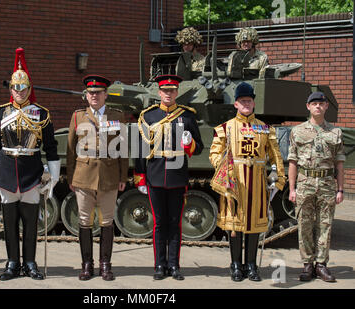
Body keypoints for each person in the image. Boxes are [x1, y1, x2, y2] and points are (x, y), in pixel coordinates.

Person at [0, 48, 60, 281]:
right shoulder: (0, 113)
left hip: (31, 174)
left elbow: (50, 148)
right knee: (9, 224)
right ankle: (12, 263)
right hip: (7, 174)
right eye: (15, 88)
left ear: (29, 89)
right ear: (11, 89)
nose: (19, 92)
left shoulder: (41, 114)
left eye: (23, 88)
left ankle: (30, 263)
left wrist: (55, 178)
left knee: (30, 224)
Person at [209, 82, 285, 282]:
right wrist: (225, 170)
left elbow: (275, 156)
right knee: (235, 225)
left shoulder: (265, 129)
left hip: (257, 184)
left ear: (253, 103)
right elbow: (214, 154)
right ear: (235, 104)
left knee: (254, 225)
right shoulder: (225, 128)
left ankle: (251, 265)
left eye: (249, 101)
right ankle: (235, 264)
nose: (246, 104)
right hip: (234, 184)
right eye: (242, 101)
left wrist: (278, 180)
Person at [134, 74, 204, 280]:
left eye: (172, 91)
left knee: (175, 224)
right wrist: (140, 176)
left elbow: (198, 147)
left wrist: (189, 143)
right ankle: (159, 265)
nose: (168, 94)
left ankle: (174, 265)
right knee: (158, 224)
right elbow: (141, 149)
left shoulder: (187, 116)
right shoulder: (149, 116)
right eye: (165, 90)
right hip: (155, 176)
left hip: (177, 176)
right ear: (159, 92)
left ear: (177, 93)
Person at [66, 75, 129, 281]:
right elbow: (70, 150)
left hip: (109, 176)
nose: (94, 96)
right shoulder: (78, 117)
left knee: (107, 222)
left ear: (105, 95)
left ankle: (105, 264)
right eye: (91, 93)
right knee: (84, 221)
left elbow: (122, 148)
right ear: (86, 96)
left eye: (98, 92)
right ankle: (86, 264)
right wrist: (70, 177)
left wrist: (122, 176)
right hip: (83, 177)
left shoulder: (117, 116)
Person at [288, 91, 345, 283]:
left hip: (328, 184)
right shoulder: (297, 131)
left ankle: (321, 265)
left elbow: (339, 163)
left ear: (326, 106)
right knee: (304, 224)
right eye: (314, 103)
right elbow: (293, 162)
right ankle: (307, 265)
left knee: (325, 225)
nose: (318, 106)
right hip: (305, 183)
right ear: (308, 107)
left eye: (321, 103)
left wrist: (340, 189)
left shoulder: (335, 132)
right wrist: (292, 189)